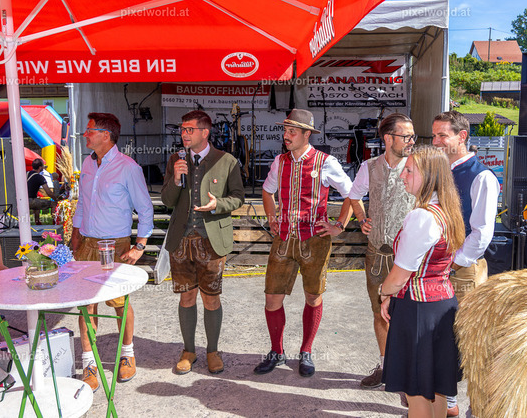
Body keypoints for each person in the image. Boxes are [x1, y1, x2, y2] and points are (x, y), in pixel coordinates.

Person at [254, 109, 352, 377]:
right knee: (272, 298)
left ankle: (306, 351)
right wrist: (272, 218)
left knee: (312, 296)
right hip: (284, 239)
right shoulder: (280, 161)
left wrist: (339, 225)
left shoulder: (326, 162)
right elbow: (267, 191)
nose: (286, 136)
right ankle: (276, 351)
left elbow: (351, 193)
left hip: (315, 240)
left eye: (292, 132)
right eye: (285, 131)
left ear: (307, 134)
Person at [378, 145, 465, 418]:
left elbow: (400, 275)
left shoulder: (422, 216)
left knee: (416, 391)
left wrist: (384, 292)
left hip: (418, 309)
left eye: (409, 170)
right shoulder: (447, 211)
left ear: (428, 175)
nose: (402, 175)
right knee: (437, 387)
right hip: (443, 305)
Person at [332, 113, 416, 388]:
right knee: (380, 313)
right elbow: (354, 195)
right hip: (377, 255)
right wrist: (361, 218)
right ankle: (385, 367)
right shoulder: (369, 167)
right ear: (388, 138)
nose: (411, 141)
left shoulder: (418, 166)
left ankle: (410, 373)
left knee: (411, 316)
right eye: (406, 136)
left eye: (412, 136)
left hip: (409, 258)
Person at [72, 112, 154, 392]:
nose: (85, 135)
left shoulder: (128, 167)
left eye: (89, 130)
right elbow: (82, 203)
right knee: (86, 304)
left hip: (116, 245)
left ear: (106, 135)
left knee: (120, 302)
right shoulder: (87, 163)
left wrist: (139, 246)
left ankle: (127, 354)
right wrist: (75, 236)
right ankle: (89, 363)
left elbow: (145, 209)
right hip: (87, 243)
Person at [161, 110, 244, 375]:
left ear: (205, 132)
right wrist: (176, 179)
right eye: (182, 129)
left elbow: (238, 197)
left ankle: (212, 351)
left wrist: (218, 204)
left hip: (211, 240)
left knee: (211, 299)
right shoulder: (176, 159)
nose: (184, 134)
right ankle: (188, 350)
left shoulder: (226, 160)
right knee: (186, 296)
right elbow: (167, 200)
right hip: (181, 239)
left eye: (189, 129)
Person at [431, 110, 498, 416]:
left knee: (469, 342)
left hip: (463, 270)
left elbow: (482, 233)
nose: (436, 141)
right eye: (434, 135)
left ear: (462, 136)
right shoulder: (440, 171)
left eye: (442, 135)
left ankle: (476, 407)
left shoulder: (482, 176)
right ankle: (448, 403)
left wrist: (452, 265)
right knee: (442, 338)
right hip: (441, 267)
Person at [27, 158, 57, 225]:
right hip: (31, 201)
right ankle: (55, 223)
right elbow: (48, 192)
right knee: (53, 204)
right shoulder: (39, 177)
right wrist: (55, 199)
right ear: (40, 167)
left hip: (22, 201)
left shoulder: (26, 173)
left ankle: (37, 222)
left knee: (37, 204)